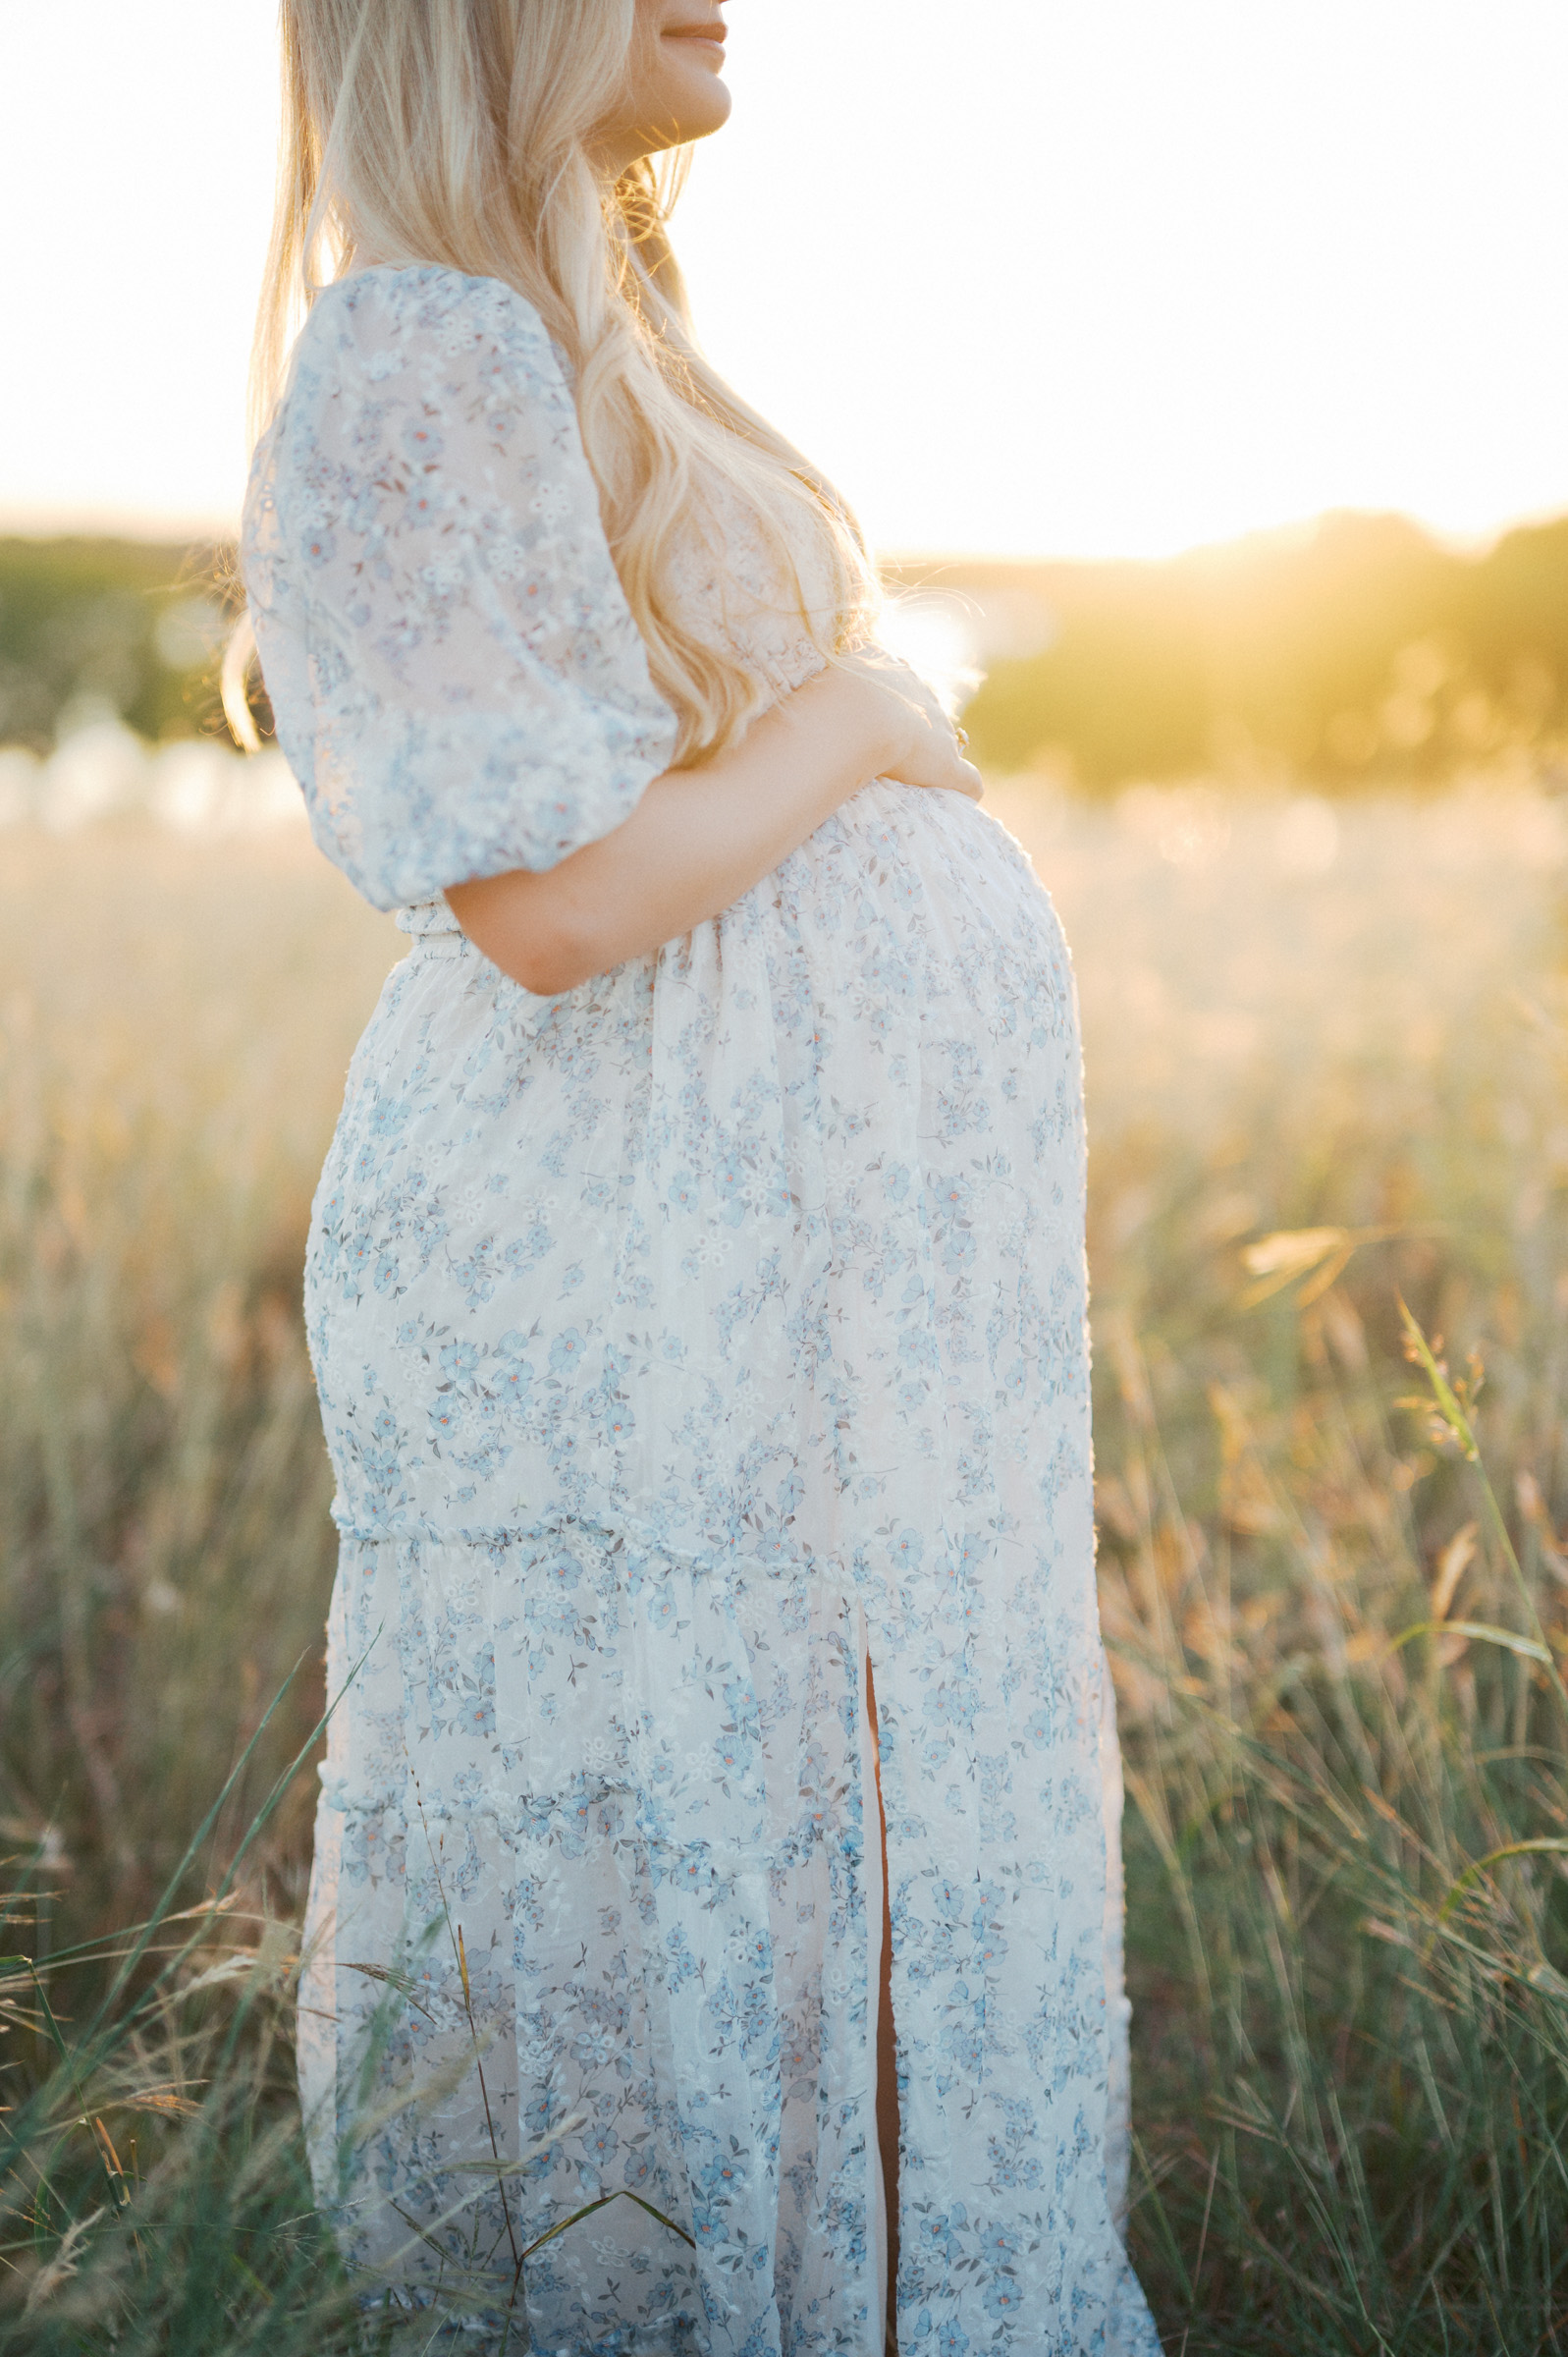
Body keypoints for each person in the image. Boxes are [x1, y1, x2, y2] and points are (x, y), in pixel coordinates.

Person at [237, 3, 1158, 2349]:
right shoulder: (419, 344)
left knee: (800, 1827)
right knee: (678, 1833)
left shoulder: (589, 324)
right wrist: (858, 725)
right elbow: (539, 909)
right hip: (621, 1242)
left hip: (757, 1244)